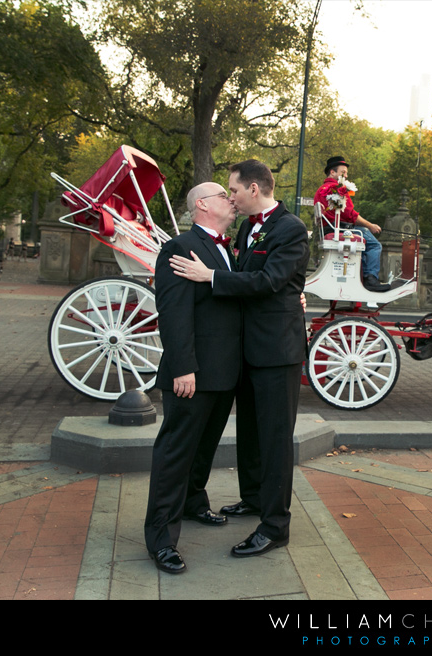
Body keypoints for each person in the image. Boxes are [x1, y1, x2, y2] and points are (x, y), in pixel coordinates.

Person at [169, 159, 309, 558]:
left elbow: (268, 281)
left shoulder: (291, 228)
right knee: (250, 431)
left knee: (276, 438)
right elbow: (249, 274)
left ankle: (275, 526)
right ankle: (253, 498)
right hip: (246, 351)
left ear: (253, 189)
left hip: (276, 352)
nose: (229, 197)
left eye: (233, 190)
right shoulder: (248, 227)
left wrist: (209, 278)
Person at [143, 182, 241, 575]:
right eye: (223, 195)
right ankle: (161, 540)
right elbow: (173, 312)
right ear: (202, 205)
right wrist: (183, 366)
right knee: (175, 454)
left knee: (204, 447)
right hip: (193, 373)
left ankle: (194, 503)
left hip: (223, 372)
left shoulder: (227, 248)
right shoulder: (179, 248)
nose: (231, 200)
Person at [313, 155, 390, 292]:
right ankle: (370, 278)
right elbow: (350, 215)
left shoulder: (321, 190)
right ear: (332, 172)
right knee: (374, 245)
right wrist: (370, 225)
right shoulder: (336, 188)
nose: (346, 176)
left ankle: (364, 276)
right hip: (342, 229)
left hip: (328, 228)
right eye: (343, 172)